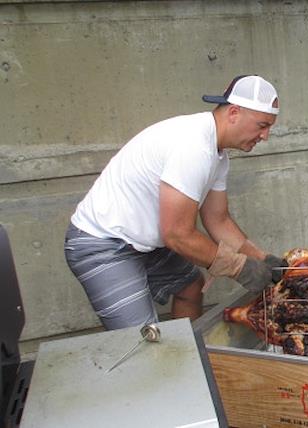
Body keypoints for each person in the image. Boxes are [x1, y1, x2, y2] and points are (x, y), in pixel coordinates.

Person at [64, 75, 288, 330]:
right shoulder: (193, 147)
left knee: (190, 287)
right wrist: (239, 267)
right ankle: (165, 355)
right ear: (234, 113)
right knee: (142, 339)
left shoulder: (217, 155)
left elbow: (218, 220)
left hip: (139, 242)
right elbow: (177, 235)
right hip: (101, 243)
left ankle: (188, 352)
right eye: (262, 125)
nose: (265, 136)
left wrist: (262, 259)